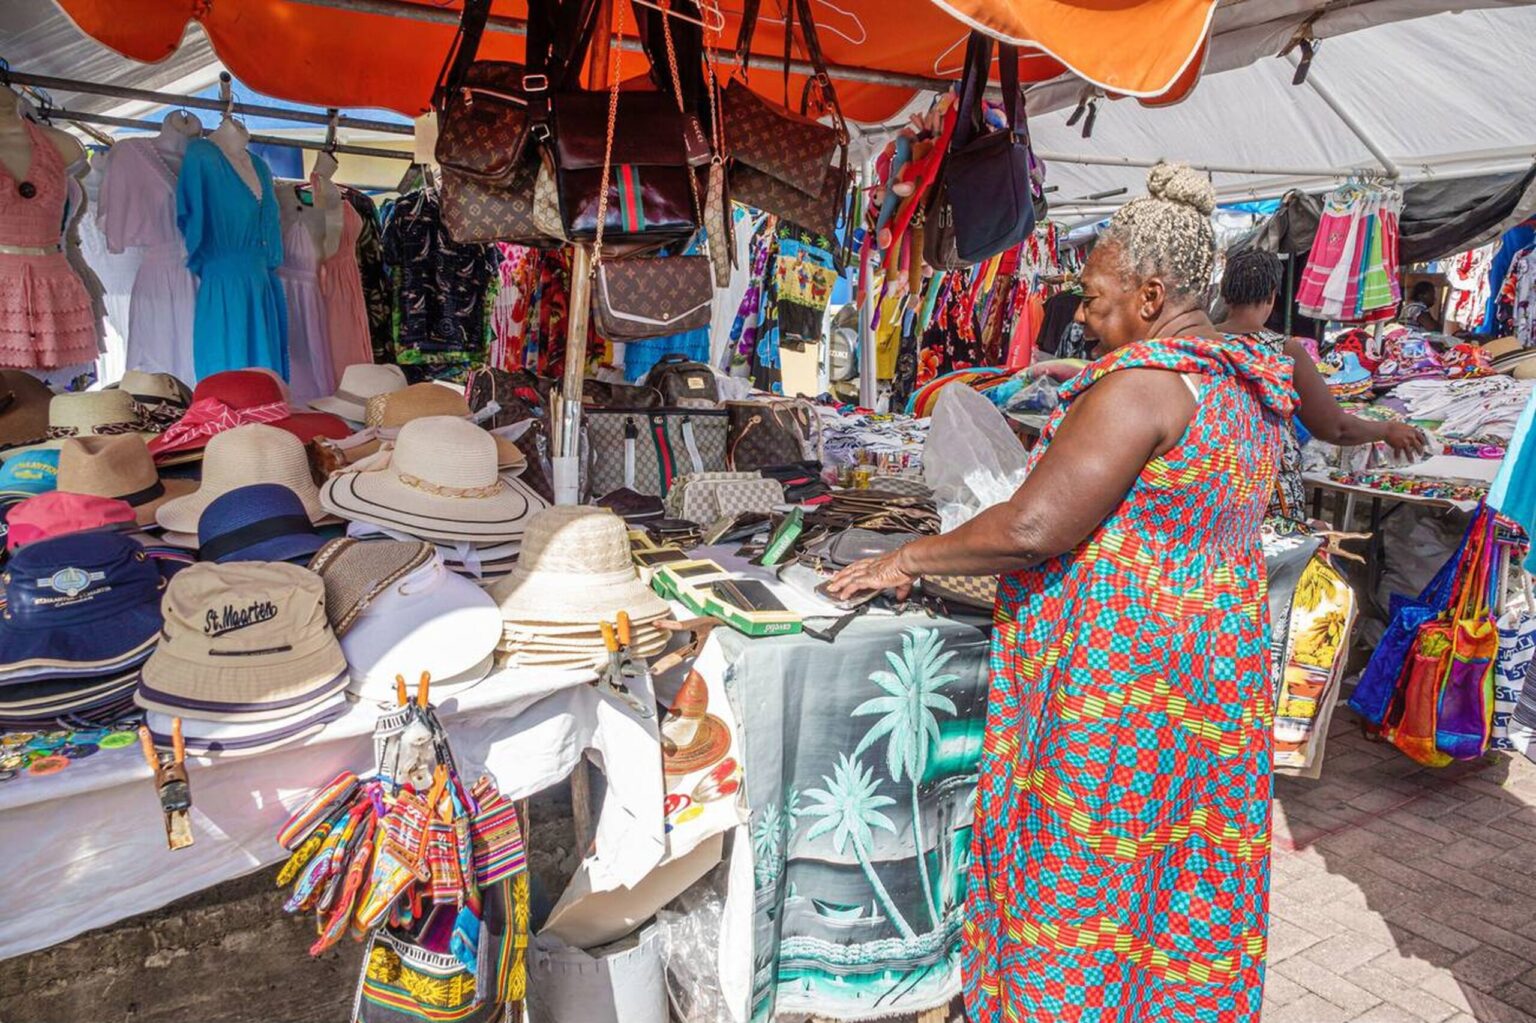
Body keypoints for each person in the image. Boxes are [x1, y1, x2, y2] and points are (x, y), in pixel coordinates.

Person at [828, 163, 1288, 1022]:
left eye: (1095, 291)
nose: (1081, 310)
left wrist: (910, 558)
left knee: (1080, 880)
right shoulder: (1244, 385)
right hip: (1212, 674)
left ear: (1152, 294)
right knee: (1174, 874)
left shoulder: (1143, 386)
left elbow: (1034, 525)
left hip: (1121, 684)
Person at [1217, 249, 1429, 517]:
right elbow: (1336, 429)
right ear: (1272, 295)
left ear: (1225, 295)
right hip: (1265, 498)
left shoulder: (1197, 346)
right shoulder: (1283, 351)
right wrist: (1387, 430)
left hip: (1206, 494)